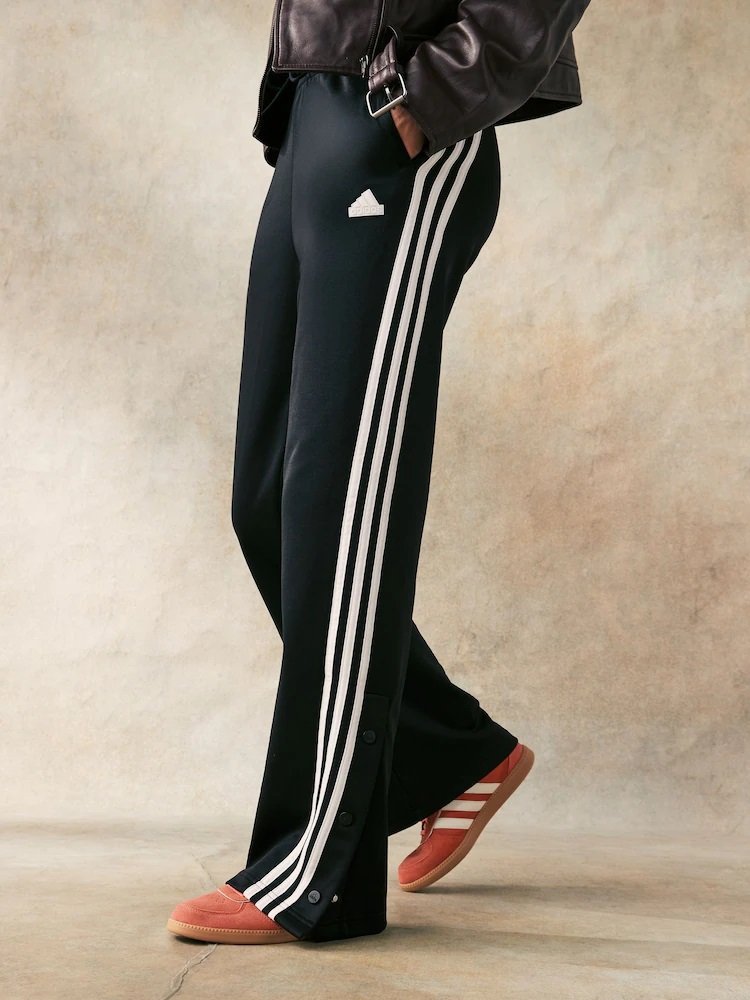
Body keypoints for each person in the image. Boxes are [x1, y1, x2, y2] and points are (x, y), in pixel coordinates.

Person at [167, 0, 591, 945]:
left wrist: (432, 93)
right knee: (270, 500)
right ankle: (451, 753)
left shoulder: (419, 101)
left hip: (404, 110)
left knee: (340, 503)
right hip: (317, 107)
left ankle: (316, 870)